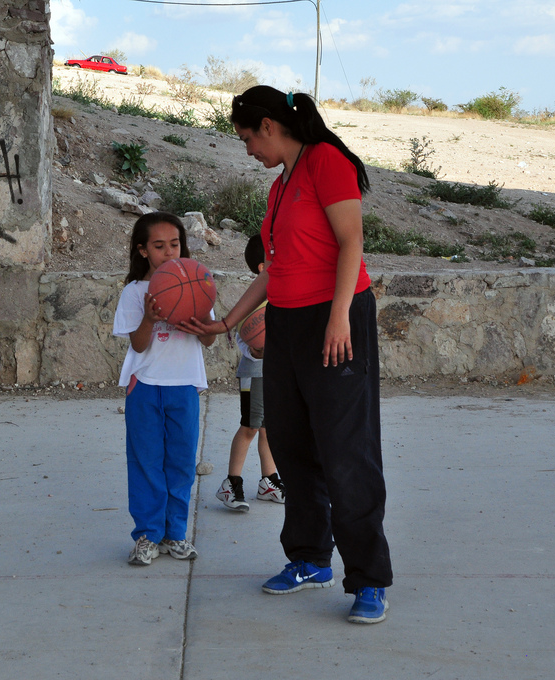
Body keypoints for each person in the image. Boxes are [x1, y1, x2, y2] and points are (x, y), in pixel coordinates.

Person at [178, 86, 393, 623]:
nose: (247, 148)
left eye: (248, 137)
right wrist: (225, 323)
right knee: (294, 447)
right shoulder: (280, 187)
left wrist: (340, 314)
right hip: (289, 324)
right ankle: (309, 558)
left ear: (270, 126)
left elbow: (351, 243)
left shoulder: (327, 162)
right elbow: (275, 271)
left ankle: (368, 580)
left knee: (347, 451)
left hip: (336, 318)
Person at [113, 211, 217, 566]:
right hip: (144, 386)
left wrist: (197, 326)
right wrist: (150, 317)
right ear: (143, 251)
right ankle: (146, 535)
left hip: (184, 386)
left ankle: (176, 533)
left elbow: (209, 341)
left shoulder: (197, 284)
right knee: (146, 462)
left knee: (181, 463)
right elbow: (139, 345)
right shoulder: (134, 292)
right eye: (159, 246)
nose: (169, 252)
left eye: (174, 244)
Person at [216, 236, 285, 512]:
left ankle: (268, 481)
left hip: (275, 373)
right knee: (250, 427)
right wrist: (256, 351)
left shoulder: (280, 297)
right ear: (262, 267)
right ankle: (231, 483)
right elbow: (242, 338)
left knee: (269, 428)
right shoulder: (253, 301)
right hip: (254, 374)